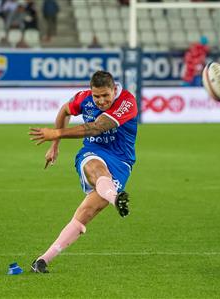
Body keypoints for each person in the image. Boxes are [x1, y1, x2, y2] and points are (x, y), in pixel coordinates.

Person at [28, 70, 138, 273]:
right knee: (95, 167)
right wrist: (55, 145)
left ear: (114, 90)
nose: (101, 101)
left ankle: (42, 260)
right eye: (97, 96)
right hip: (93, 152)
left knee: (87, 212)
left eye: (106, 95)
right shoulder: (83, 99)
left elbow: (97, 127)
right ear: (91, 92)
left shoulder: (127, 102)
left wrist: (56, 133)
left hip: (121, 161)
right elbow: (64, 111)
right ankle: (117, 199)